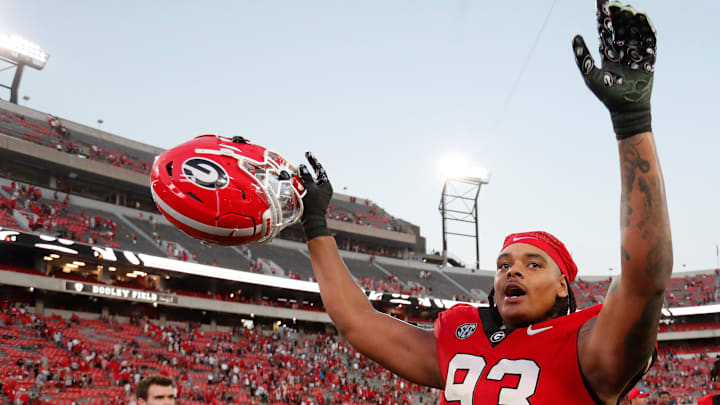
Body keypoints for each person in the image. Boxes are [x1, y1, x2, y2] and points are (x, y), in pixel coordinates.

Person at [297, 1, 671, 404]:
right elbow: (358, 322)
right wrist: (317, 226)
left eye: (533, 263)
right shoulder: (463, 334)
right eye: (504, 265)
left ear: (563, 284)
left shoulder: (588, 345)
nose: (513, 271)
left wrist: (632, 124)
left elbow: (643, 282)